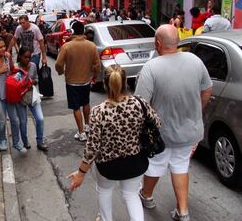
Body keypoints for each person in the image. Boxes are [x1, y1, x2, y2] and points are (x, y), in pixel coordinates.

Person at [135, 24, 213, 221]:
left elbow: (140, 104)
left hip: (162, 134)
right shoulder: (195, 60)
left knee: (155, 166)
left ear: (158, 43)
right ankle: (183, 212)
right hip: (190, 130)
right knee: (180, 166)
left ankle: (147, 196)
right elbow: (207, 89)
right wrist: (198, 110)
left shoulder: (151, 67)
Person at [68, 65, 161, 221]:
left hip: (108, 165)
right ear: (125, 83)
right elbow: (157, 124)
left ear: (105, 84)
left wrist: (80, 173)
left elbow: (92, 147)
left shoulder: (99, 111)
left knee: (104, 192)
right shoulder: (140, 104)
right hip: (135, 161)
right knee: (131, 195)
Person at [55, 21, 100, 142]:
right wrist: (94, 76)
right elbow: (97, 65)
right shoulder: (91, 45)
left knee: (76, 107)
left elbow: (58, 64)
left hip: (71, 82)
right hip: (86, 80)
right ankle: (88, 126)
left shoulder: (67, 46)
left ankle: (81, 133)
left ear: (73, 32)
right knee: (86, 103)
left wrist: (61, 72)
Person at [16, 47, 48, 151]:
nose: (28, 59)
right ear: (20, 56)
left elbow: (36, 79)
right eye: (25, 57)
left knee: (40, 118)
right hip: (20, 98)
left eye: (29, 57)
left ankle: (40, 141)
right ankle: (25, 142)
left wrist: (31, 82)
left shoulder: (33, 66)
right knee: (23, 121)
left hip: (32, 95)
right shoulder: (16, 68)